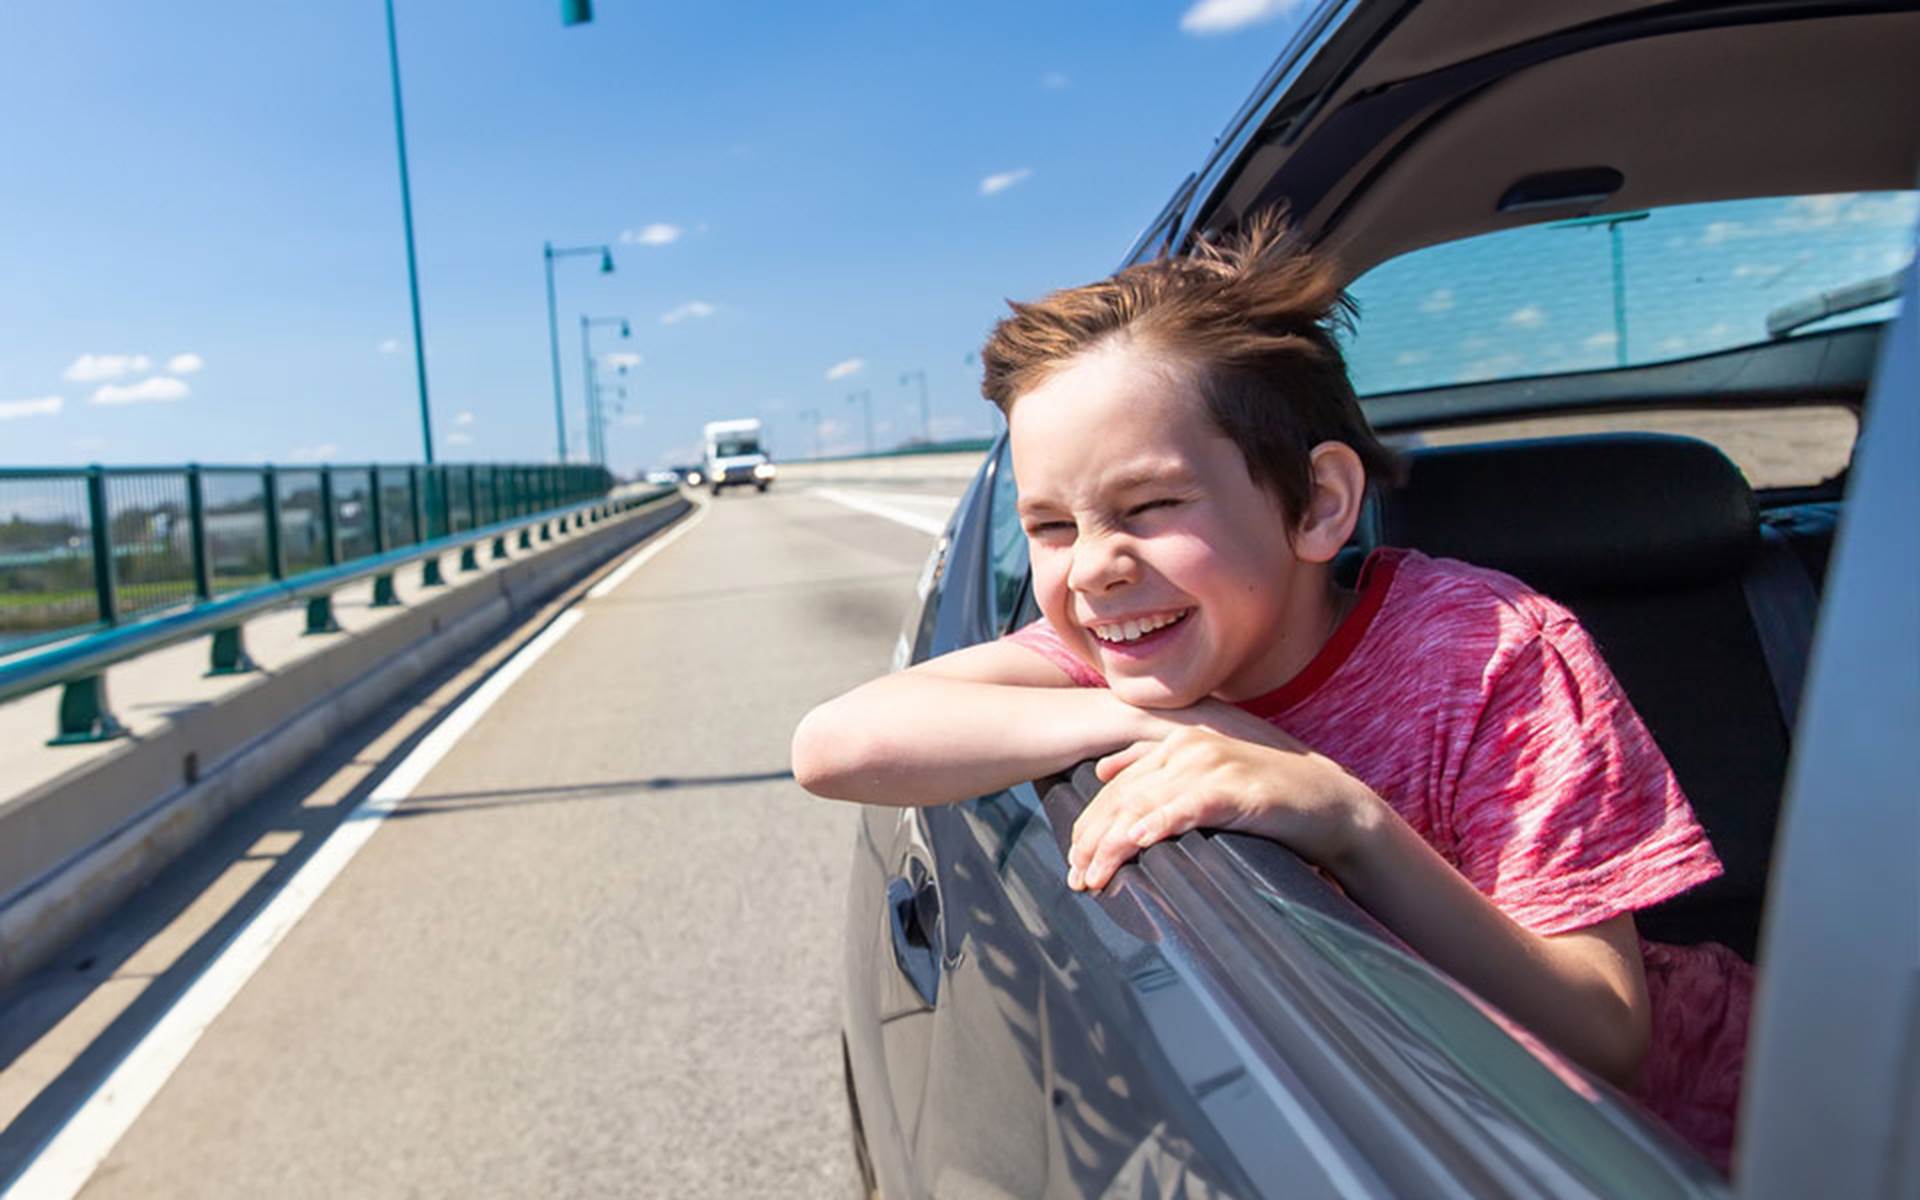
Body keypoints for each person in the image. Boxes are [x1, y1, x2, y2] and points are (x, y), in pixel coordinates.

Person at [789, 212, 1750, 1172]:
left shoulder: (1485, 651)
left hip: (1699, 1132)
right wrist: (1156, 715)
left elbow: (1608, 1035)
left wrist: (1345, 820)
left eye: (1151, 507)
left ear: (1321, 502)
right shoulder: (1127, 656)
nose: (1091, 570)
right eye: (1048, 526)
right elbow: (833, 747)